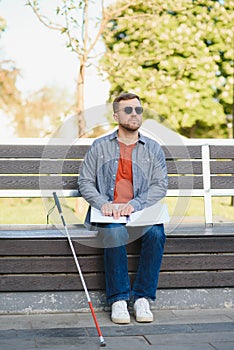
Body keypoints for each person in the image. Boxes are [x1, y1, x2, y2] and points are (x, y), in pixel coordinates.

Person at [78, 92, 168, 324]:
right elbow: (85, 181)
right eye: (127, 110)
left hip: (141, 210)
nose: (134, 114)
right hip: (108, 212)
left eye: (138, 110)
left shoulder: (153, 148)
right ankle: (118, 300)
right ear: (116, 115)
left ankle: (142, 298)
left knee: (156, 233)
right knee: (115, 232)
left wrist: (135, 204)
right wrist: (102, 203)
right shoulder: (99, 147)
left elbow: (160, 185)